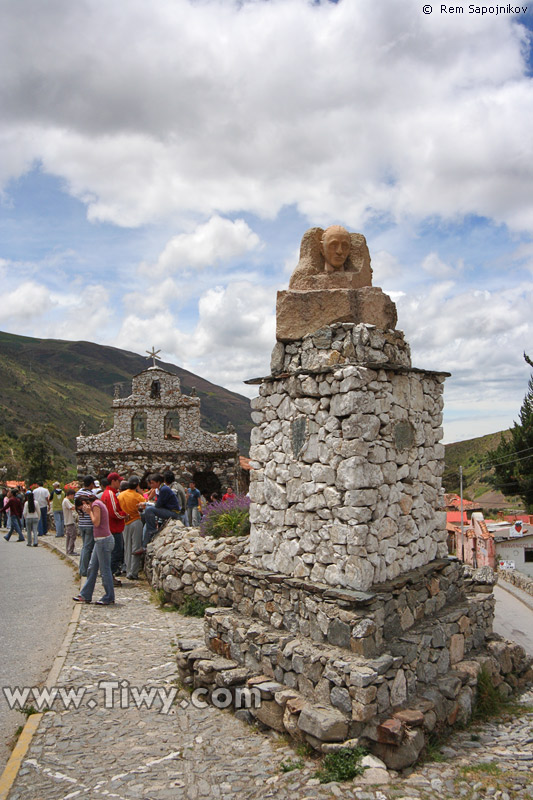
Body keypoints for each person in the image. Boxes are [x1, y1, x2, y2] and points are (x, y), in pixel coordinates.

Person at [73, 495, 115, 605]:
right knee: (92, 567)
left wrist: (89, 512)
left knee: (105, 570)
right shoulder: (98, 504)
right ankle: (85, 594)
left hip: (103, 541)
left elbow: (96, 522)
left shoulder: (96, 505)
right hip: (100, 541)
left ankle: (109, 596)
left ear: (84, 503)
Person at [135, 473, 181, 554]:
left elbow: (158, 505)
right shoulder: (160, 489)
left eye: (153, 483)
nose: (151, 485)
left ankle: (152, 530)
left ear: (158, 482)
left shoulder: (164, 490)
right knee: (146, 516)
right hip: (168, 510)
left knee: (149, 510)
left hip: (173, 512)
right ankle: (145, 543)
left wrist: (145, 504)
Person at [101, 472, 128, 586]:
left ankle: (109, 577)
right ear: (113, 481)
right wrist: (124, 515)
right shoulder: (110, 495)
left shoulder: (107, 494)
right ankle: (109, 577)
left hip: (111, 528)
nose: (120, 483)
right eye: (118, 481)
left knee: (112, 553)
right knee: (115, 553)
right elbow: (114, 513)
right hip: (114, 528)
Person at [119, 476, 145, 580]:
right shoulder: (138, 496)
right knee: (136, 547)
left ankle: (128, 569)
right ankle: (133, 572)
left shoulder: (121, 496)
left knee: (127, 547)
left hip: (125, 523)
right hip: (135, 521)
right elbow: (144, 506)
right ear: (137, 485)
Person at [76, 476, 97, 576]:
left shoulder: (78, 493)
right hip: (89, 523)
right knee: (87, 548)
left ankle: (82, 568)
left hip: (81, 523)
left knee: (85, 546)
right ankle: (84, 570)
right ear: (91, 484)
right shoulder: (91, 495)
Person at [63, 488, 77, 555]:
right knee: (72, 536)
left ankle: (68, 549)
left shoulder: (66, 501)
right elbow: (71, 507)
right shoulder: (66, 501)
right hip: (69, 521)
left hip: (67, 521)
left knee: (69, 537)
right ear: (70, 495)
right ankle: (70, 550)